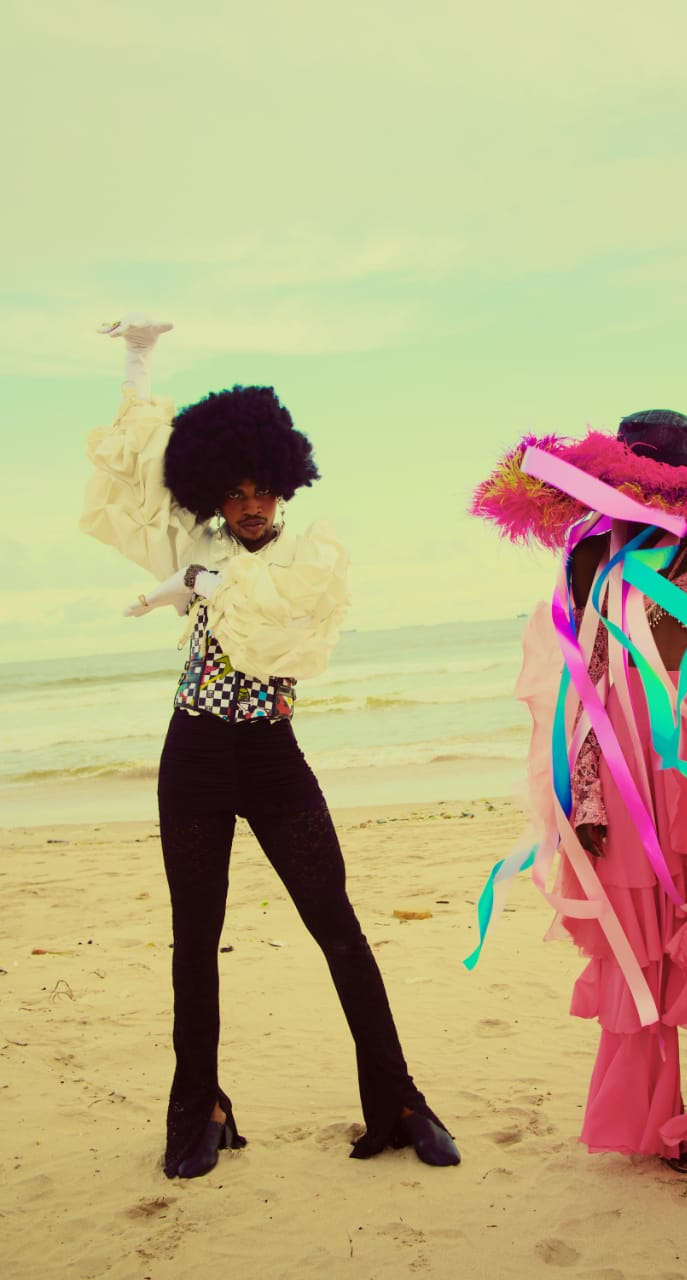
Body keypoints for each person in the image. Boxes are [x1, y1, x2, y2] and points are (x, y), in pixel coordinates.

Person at [80, 313, 460, 1179]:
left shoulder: (311, 562)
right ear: (215, 492)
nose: (250, 505)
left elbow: (278, 628)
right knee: (193, 940)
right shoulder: (200, 543)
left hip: (273, 759)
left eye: (263, 491)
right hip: (194, 759)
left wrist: (201, 585)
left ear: (285, 487)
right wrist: (138, 359)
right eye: (234, 491)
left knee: (338, 927)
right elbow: (136, 463)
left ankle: (399, 1099)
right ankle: (199, 1107)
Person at [467, 409, 687, 1177]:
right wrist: (587, 804)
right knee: (635, 939)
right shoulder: (591, 557)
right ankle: (645, 1120)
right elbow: (586, 686)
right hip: (619, 763)